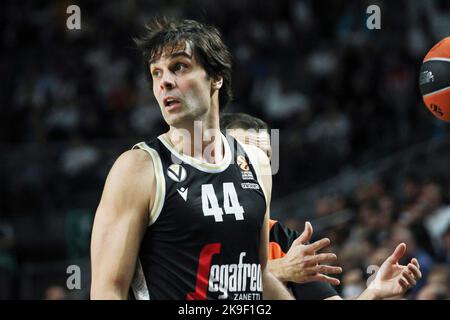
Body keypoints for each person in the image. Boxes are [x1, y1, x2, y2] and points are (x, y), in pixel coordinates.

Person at [90, 18, 293, 300]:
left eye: (179, 67)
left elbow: (258, 275)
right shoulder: (138, 168)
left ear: (216, 77)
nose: (165, 82)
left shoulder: (256, 163)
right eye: (156, 73)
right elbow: (106, 292)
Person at [221, 112, 423, 299]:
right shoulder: (191, 221)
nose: (259, 165)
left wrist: (373, 292)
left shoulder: (287, 243)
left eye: (266, 157)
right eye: (246, 154)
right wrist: (278, 270)